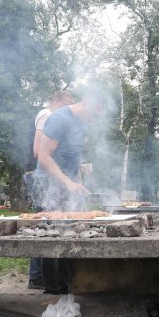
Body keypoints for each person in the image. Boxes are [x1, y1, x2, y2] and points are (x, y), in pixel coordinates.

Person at [34, 92, 106, 294]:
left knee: (71, 230)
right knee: (52, 233)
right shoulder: (59, 118)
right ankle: (54, 289)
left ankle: (67, 284)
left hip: (68, 183)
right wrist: (67, 182)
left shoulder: (82, 124)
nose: (94, 120)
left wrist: (78, 185)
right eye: (94, 114)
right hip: (49, 183)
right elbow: (43, 157)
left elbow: (75, 160)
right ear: (87, 104)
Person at [25, 90, 74, 290]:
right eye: (66, 105)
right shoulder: (47, 115)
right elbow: (39, 151)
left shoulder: (50, 116)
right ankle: (38, 278)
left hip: (43, 176)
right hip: (41, 177)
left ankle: (39, 277)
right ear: (57, 101)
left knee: (45, 224)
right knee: (45, 226)